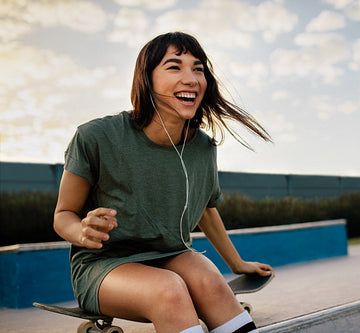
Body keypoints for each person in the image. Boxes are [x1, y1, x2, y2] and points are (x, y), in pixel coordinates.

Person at [54, 32, 273, 333]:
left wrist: (237, 263)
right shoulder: (95, 137)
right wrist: (81, 231)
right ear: (147, 78)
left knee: (211, 281)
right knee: (169, 290)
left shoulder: (202, 148)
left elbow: (206, 207)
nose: (192, 79)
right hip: (103, 265)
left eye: (198, 69)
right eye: (174, 67)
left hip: (171, 255)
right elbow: (63, 214)